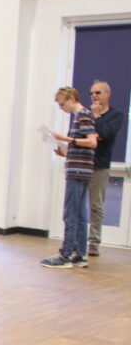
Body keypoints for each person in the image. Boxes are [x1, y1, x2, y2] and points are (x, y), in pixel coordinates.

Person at [41, 87, 97, 268]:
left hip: (78, 172)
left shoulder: (83, 116)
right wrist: (66, 151)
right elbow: (85, 145)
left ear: (71, 98)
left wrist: (66, 139)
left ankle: (65, 255)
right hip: (80, 169)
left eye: (62, 103)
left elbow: (92, 141)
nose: (61, 108)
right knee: (80, 214)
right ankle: (80, 255)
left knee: (71, 213)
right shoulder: (82, 117)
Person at [86, 81, 126, 256]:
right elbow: (83, 135)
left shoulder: (115, 115)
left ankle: (94, 242)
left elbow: (107, 135)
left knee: (96, 206)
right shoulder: (86, 114)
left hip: (99, 166)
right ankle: (75, 240)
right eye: (92, 93)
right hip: (82, 163)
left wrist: (97, 117)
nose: (94, 96)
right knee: (77, 205)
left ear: (107, 94)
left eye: (98, 92)